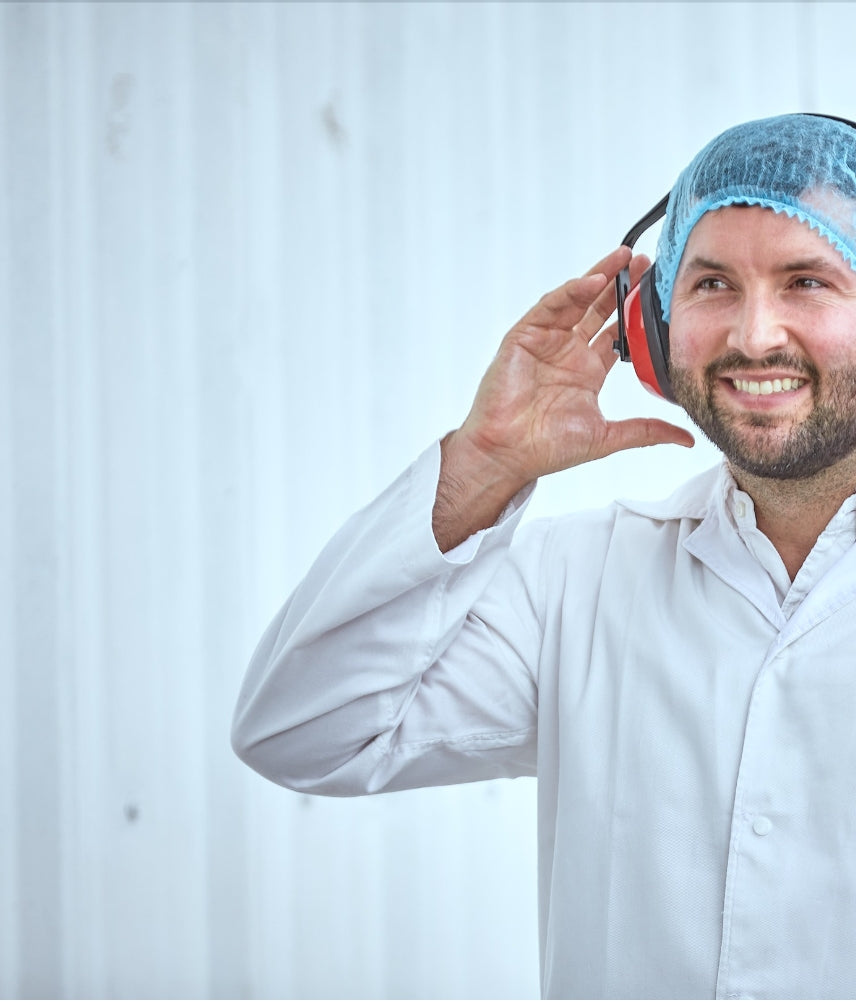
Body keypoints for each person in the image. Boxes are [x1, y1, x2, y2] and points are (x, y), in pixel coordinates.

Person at [232, 114, 856, 999]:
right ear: (654, 324)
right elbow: (300, 729)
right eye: (714, 283)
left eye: (807, 280)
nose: (755, 337)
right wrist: (486, 462)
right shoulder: (582, 580)